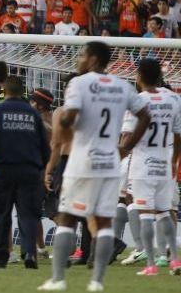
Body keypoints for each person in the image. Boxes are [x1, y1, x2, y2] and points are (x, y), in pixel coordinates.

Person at [39, 41, 150, 292]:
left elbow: (70, 117)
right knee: (103, 223)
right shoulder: (122, 85)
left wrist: (65, 118)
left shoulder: (78, 83)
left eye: (81, 55)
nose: (78, 59)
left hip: (82, 160)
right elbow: (146, 115)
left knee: (67, 217)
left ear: (93, 59)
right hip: (110, 161)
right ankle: (97, 282)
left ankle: (57, 279)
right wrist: (126, 147)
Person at [0, 76, 50, 269]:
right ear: (21, 91)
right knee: (27, 214)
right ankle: (30, 254)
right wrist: (45, 169)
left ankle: (1, 257)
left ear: (4, 92)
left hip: (5, 169)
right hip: (30, 170)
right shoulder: (33, 114)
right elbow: (44, 145)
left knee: (1, 213)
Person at [124, 59, 181, 275]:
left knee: (146, 214)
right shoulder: (174, 98)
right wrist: (174, 160)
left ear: (138, 76)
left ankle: (151, 264)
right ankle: (175, 260)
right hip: (165, 162)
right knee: (165, 212)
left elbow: (128, 136)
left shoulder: (136, 101)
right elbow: (178, 135)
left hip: (143, 163)